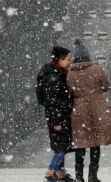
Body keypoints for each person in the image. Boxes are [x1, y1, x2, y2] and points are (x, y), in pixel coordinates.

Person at [67, 39, 111, 182]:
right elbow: (106, 86)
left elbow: (70, 91)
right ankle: (92, 175)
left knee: (80, 142)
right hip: (97, 107)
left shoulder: (70, 73)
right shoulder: (97, 69)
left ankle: (78, 175)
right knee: (96, 142)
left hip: (79, 109)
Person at [37, 46, 74, 182]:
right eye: (67, 59)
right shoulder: (52, 77)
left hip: (62, 115)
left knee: (61, 144)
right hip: (58, 117)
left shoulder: (57, 73)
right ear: (59, 60)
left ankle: (60, 173)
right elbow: (51, 102)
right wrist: (56, 121)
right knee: (61, 145)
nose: (69, 62)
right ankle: (51, 172)